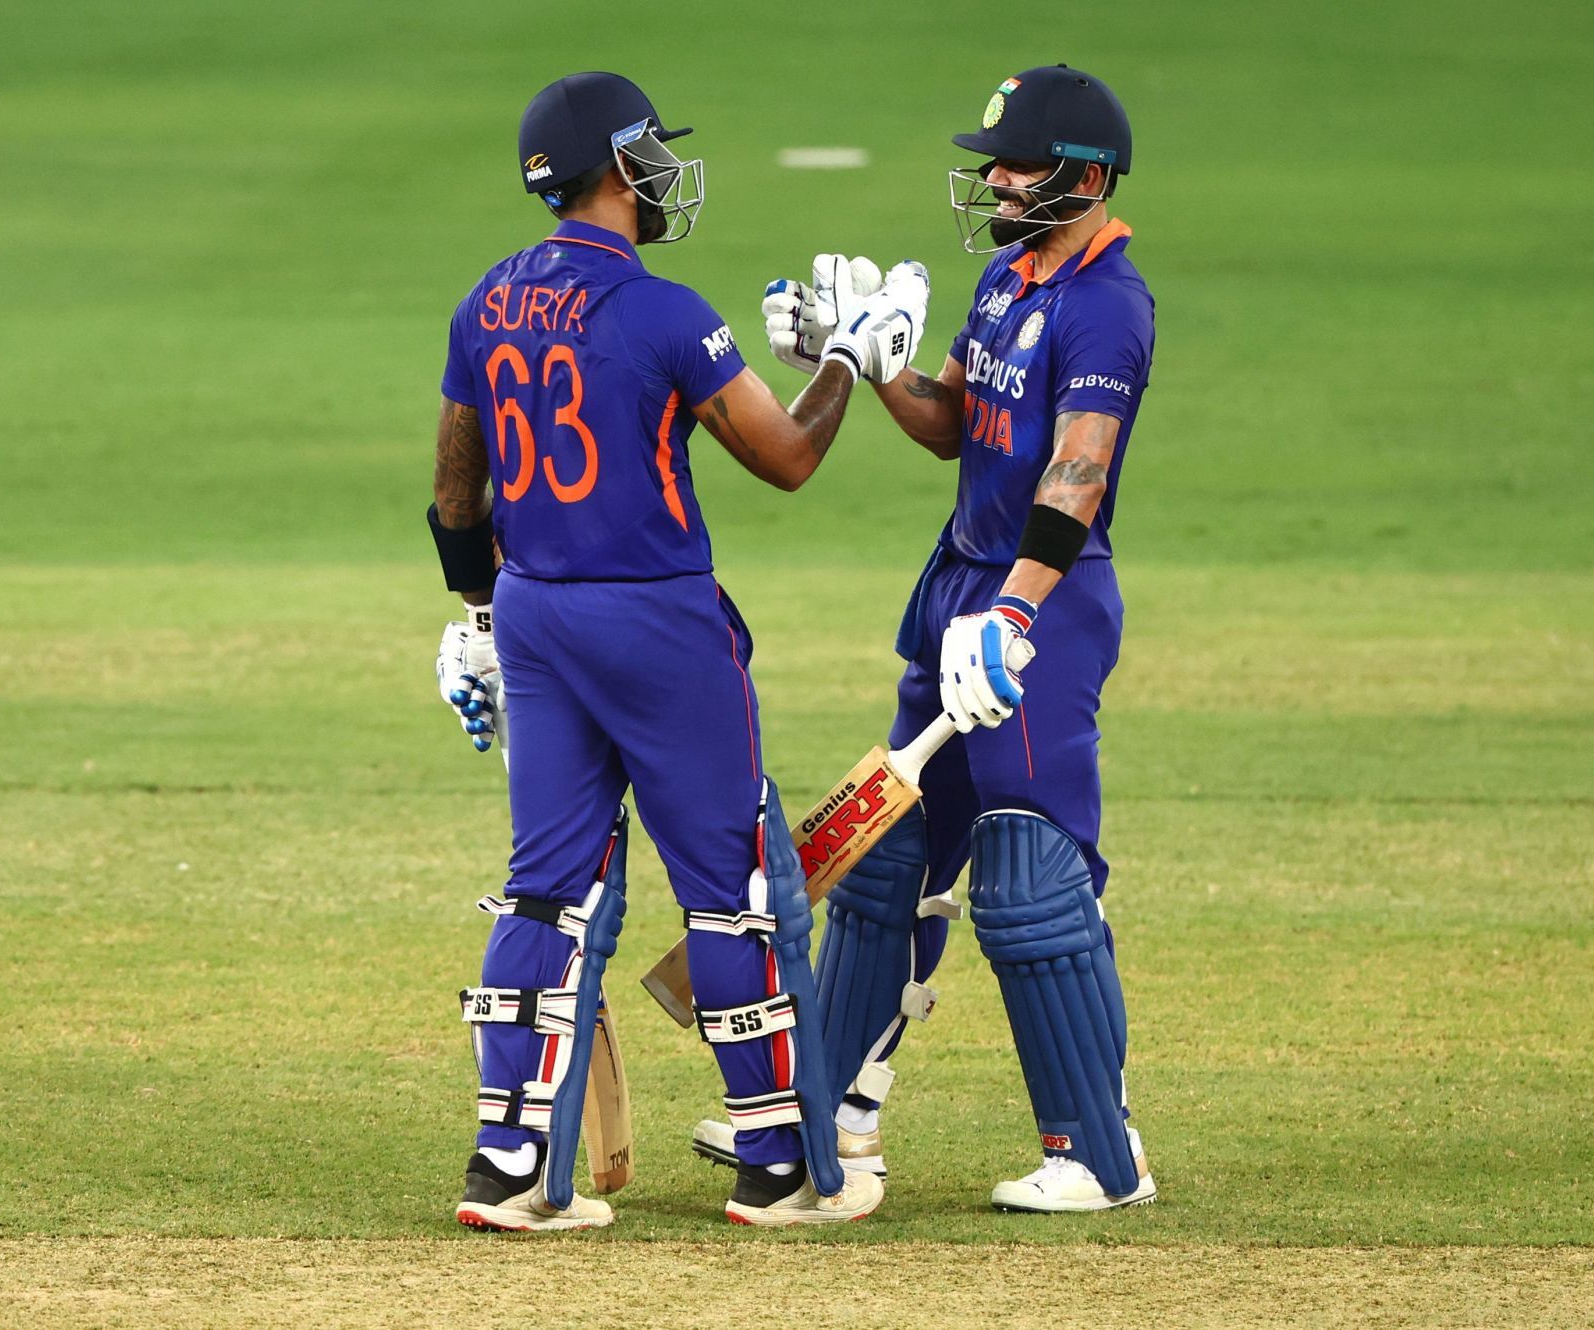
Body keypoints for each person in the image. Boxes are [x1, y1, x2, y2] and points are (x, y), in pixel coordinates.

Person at [425, 70, 926, 1230]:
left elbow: (457, 493)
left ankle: (506, 1168)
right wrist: (846, 360)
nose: (660, 171)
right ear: (614, 167)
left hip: (539, 619)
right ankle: (779, 1166)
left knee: (544, 889)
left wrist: (480, 619)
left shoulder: (484, 302)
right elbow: (788, 457)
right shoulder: (663, 312)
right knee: (735, 885)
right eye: (648, 150)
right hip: (658, 622)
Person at [734, 63, 1158, 1212]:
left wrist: (1015, 614)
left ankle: (1098, 1155)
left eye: (1016, 165)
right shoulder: (1005, 279)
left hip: (1042, 613)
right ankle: (838, 1116)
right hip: (955, 589)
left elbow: (1077, 478)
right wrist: (869, 366)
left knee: (1029, 872)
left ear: (1085, 174)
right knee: (888, 857)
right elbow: (951, 428)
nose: (997, 182)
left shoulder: (1107, 303)